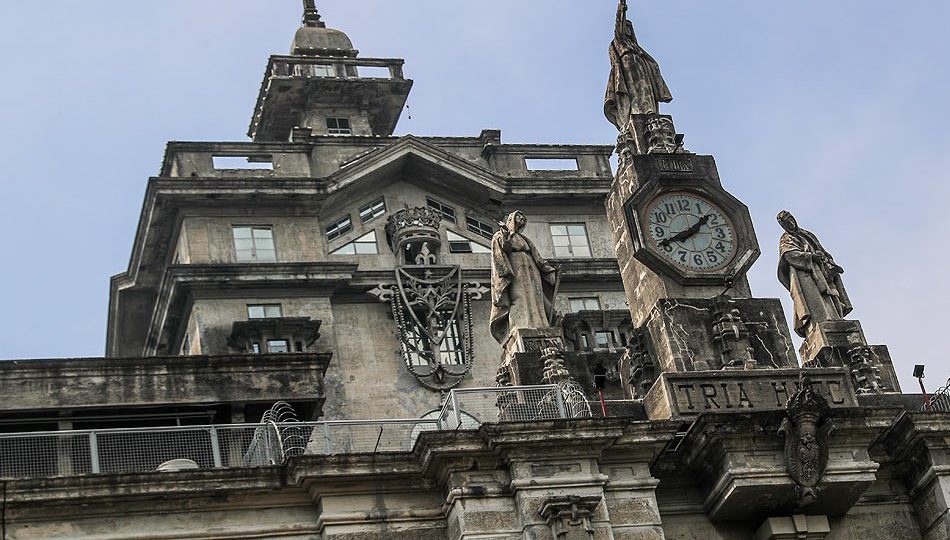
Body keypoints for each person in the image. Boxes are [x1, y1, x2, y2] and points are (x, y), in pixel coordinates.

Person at [777, 211, 853, 338]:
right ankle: (819, 322)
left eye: (791, 219)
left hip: (821, 271)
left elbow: (822, 250)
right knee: (815, 299)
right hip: (805, 273)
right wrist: (810, 257)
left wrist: (828, 261)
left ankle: (835, 319)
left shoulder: (807, 235)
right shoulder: (786, 239)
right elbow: (789, 254)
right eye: (787, 222)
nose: (791, 223)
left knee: (830, 295)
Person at [489, 211, 558, 344]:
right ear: (511, 219)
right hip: (516, 269)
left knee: (535, 297)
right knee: (519, 297)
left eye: (523, 218)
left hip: (531, 269)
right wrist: (505, 234)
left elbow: (537, 257)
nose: (521, 219)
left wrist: (549, 270)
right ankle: (520, 325)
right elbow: (503, 247)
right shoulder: (501, 234)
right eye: (518, 217)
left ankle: (540, 325)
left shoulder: (525, 240)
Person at [604, 0, 673, 130]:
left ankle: (649, 111)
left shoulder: (636, 47)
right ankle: (636, 111)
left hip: (641, 67)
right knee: (634, 92)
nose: (627, 29)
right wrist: (621, 7)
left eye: (630, 27)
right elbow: (618, 25)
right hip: (628, 66)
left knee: (645, 90)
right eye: (626, 27)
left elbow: (651, 63)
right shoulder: (620, 41)